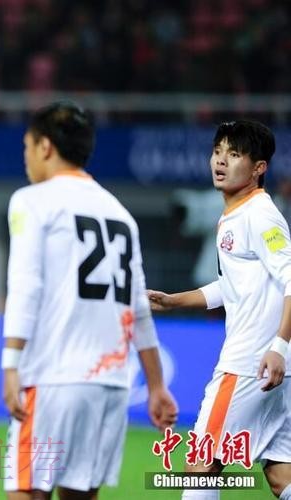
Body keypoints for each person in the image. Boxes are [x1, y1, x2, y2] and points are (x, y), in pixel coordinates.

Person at [2, 101, 178, 500]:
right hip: (110, 386)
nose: (26, 156)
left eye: (27, 146)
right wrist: (155, 385)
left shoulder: (33, 200)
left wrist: (11, 363)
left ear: (45, 146)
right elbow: (138, 308)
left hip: (54, 377)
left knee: (26, 490)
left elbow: (25, 284)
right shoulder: (120, 214)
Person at [149, 120, 291, 500]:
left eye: (234, 154)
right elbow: (232, 287)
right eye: (217, 151)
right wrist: (174, 300)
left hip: (251, 362)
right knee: (281, 475)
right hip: (273, 366)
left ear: (259, 167)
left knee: (201, 465)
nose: (221, 161)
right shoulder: (235, 214)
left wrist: (279, 345)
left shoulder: (259, 215)